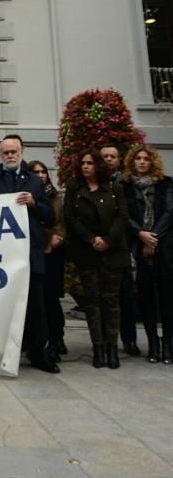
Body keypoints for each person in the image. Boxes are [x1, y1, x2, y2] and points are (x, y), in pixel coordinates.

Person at [0, 135, 58, 373]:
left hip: (29, 254)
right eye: (5, 152)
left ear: (22, 151)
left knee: (35, 306)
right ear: (0, 156)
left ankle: (38, 354)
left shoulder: (35, 182)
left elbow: (50, 216)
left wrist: (35, 204)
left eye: (14, 151)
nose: (10, 156)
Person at [64, 148, 130, 369]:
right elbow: (71, 219)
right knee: (92, 302)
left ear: (98, 166)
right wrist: (92, 239)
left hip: (113, 252)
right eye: (83, 163)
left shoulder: (114, 188)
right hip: (87, 251)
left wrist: (108, 240)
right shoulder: (75, 189)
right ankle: (98, 347)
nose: (85, 166)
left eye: (90, 163)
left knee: (111, 301)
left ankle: (112, 347)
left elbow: (122, 216)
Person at [123, 143, 173, 364]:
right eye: (138, 158)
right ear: (132, 161)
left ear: (152, 162)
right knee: (146, 298)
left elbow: (171, 212)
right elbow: (124, 215)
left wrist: (152, 237)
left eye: (145, 158)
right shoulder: (125, 187)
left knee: (167, 298)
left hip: (165, 248)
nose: (141, 161)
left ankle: (168, 344)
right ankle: (152, 343)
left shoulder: (166, 184)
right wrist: (141, 234)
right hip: (139, 247)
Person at [101, 144, 140, 356]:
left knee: (125, 296)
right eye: (105, 156)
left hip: (122, 246)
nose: (108, 159)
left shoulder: (126, 184)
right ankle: (106, 340)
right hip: (100, 246)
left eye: (112, 156)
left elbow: (128, 215)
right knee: (104, 298)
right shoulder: (94, 183)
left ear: (119, 160)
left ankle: (129, 339)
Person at [27, 160, 67, 362]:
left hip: (52, 252)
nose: (41, 175)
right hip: (35, 250)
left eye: (43, 172)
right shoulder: (25, 192)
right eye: (36, 172)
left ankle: (57, 338)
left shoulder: (55, 196)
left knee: (51, 299)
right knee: (37, 300)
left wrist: (56, 239)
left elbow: (61, 221)